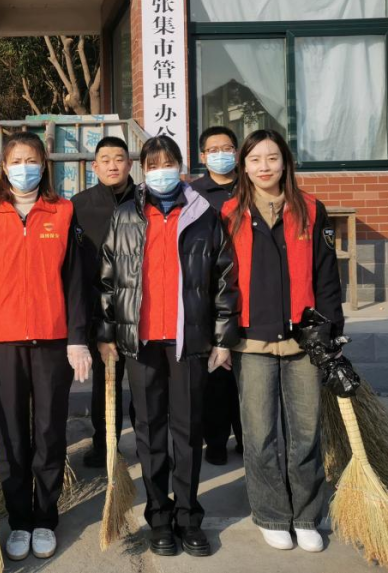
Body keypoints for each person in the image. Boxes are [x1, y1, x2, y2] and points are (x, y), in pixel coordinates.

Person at [96, 135, 237, 558]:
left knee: (188, 432)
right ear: (143, 169)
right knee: (150, 431)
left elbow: (224, 280)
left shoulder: (204, 215)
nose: (161, 171)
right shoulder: (125, 215)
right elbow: (108, 279)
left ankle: (189, 516)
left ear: (181, 165)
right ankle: (159, 516)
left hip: (188, 340)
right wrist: (107, 334)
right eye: (153, 165)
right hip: (141, 343)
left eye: (168, 163)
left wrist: (222, 338)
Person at [0, 132, 90, 562]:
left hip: (53, 342)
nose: (24, 168)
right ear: (4, 166)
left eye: (31, 160)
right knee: (13, 436)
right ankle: (19, 520)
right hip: (3, 343)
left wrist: (77, 338)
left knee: (50, 433)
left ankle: (45, 518)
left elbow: (76, 282)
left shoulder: (63, 211)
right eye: (16, 160)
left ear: (44, 164)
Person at [219, 129, 344, 553]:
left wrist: (330, 330)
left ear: (286, 163)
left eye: (272, 158)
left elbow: (327, 276)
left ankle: (306, 515)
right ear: (244, 166)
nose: (264, 167)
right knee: (259, 435)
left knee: (305, 433)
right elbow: (220, 280)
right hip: (251, 342)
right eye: (255, 159)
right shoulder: (229, 212)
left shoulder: (310, 209)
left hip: (302, 341)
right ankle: (272, 514)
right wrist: (222, 335)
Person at [71, 136, 135, 468]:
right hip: (99, 308)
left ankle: (149, 442)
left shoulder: (145, 201)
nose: (113, 165)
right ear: (95, 166)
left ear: (129, 164)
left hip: (139, 308)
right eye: (105, 160)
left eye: (119, 159)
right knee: (105, 381)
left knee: (144, 382)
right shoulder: (79, 205)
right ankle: (105, 443)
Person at [190, 126, 244, 465]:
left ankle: (247, 437)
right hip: (212, 294)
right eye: (213, 149)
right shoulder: (193, 194)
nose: (221, 154)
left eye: (227, 148)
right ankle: (216, 441)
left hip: (251, 289)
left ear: (237, 152)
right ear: (202, 156)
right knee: (216, 373)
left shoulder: (251, 186)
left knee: (247, 373)